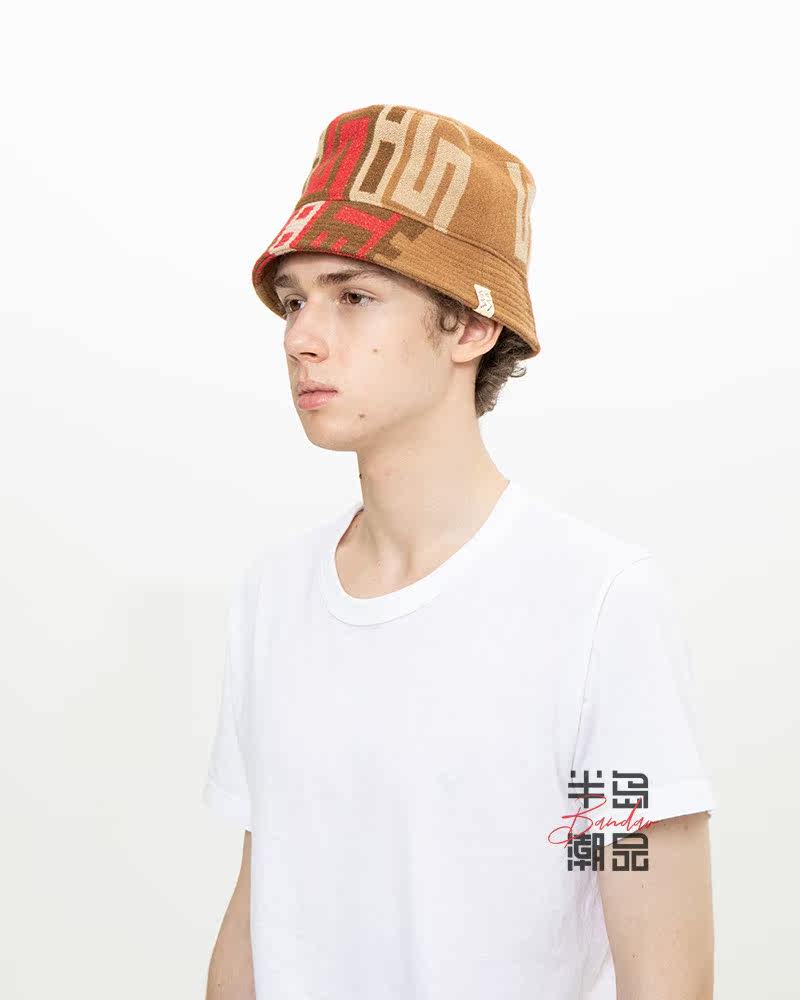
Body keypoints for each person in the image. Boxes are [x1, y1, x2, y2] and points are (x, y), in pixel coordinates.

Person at [202, 103, 716, 999]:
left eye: (353, 296)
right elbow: (260, 908)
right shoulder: (273, 598)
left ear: (473, 326)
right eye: (294, 300)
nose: (299, 337)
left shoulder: (597, 607)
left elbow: (660, 969)